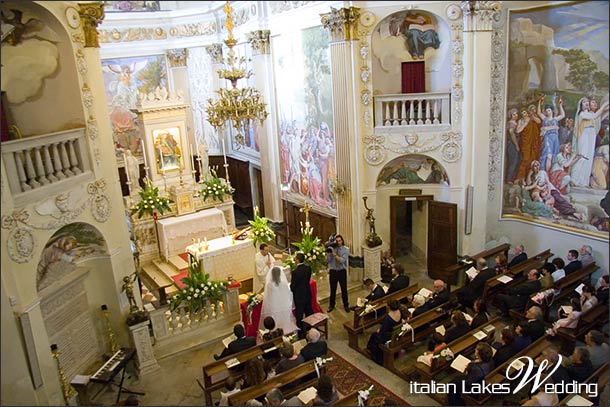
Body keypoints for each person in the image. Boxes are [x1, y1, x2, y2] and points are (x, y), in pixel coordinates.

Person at [571, 97, 609, 186]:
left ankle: (583, 182)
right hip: (584, 135)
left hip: (591, 136)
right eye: (584, 102)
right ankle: (574, 179)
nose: (586, 103)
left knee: (589, 158)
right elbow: (596, 116)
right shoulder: (582, 114)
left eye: (587, 102)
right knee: (582, 156)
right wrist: (604, 105)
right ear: (581, 105)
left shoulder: (590, 113)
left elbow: (599, 116)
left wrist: (606, 106)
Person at [259, 266, 298, 335]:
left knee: (275, 317)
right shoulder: (283, 282)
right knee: (283, 317)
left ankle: (275, 330)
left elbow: (268, 296)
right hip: (283, 304)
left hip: (274, 304)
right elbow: (287, 293)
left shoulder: (269, 284)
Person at [367, 299, 402, 365]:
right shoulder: (399, 311)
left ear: (389, 307)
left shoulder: (388, 319)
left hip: (388, 336)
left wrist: (379, 331)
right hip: (395, 332)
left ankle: (374, 354)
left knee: (374, 335)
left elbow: (382, 333)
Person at [537, 96, 565, 172]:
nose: (548, 112)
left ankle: (552, 172)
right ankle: (545, 172)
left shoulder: (555, 119)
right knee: (548, 155)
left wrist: (560, 105)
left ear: (552, 111)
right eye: (546, 111)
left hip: (555, 138)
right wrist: (540, 102)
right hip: (547, 138)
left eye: (549, 110)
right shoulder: (544, 119)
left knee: (554, 154)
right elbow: (539, 113)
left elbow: (563, 115)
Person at [290, 253, 313, 338]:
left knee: (299, 314)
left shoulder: (295, 272)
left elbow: (293, 286)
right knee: (309, 311)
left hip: (299, 296)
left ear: (297, 260)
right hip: (307, 293)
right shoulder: (308, 268)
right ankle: (310, 328)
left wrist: (291, 288)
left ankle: (301, 333)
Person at [326, 234, 350, 313]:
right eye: (337, 241)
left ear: (342, 241)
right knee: (333, 290)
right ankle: (331, 305)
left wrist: (334, 253)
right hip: (333, 272)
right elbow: (328, 261)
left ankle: (346, 305)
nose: (338, 242)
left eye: (340, 240)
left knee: (344, 289)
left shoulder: (346, 249)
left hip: (341, 271)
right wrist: (328, 253)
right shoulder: (332, 249)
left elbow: (342, 261)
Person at [505, 107, 521, 183]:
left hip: (516, 144)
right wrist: (516, 145)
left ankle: (513, 178)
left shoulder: (516, 123)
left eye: (516, 114)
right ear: (510, 115)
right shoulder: (511, 123)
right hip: (512, 144)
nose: (515, 115)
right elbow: (512, 134)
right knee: (513, 162)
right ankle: (509, 179)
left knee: (517, 161)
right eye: (513, 114)